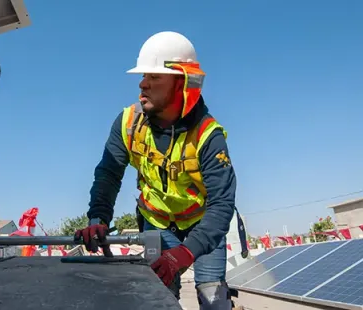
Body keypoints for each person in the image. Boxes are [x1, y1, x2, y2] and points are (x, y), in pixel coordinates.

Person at [75, 31, 245, 309]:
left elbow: (222, 204)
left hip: (202, 224)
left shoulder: (208, 135)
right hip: (156, 221)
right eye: (143, 76)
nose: (142, 84)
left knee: (213, 295)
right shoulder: (128, 122)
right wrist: (98, 217)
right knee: (160, 297)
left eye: (154, 78)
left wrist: (186, 252)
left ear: (182, 83)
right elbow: (108, 174)